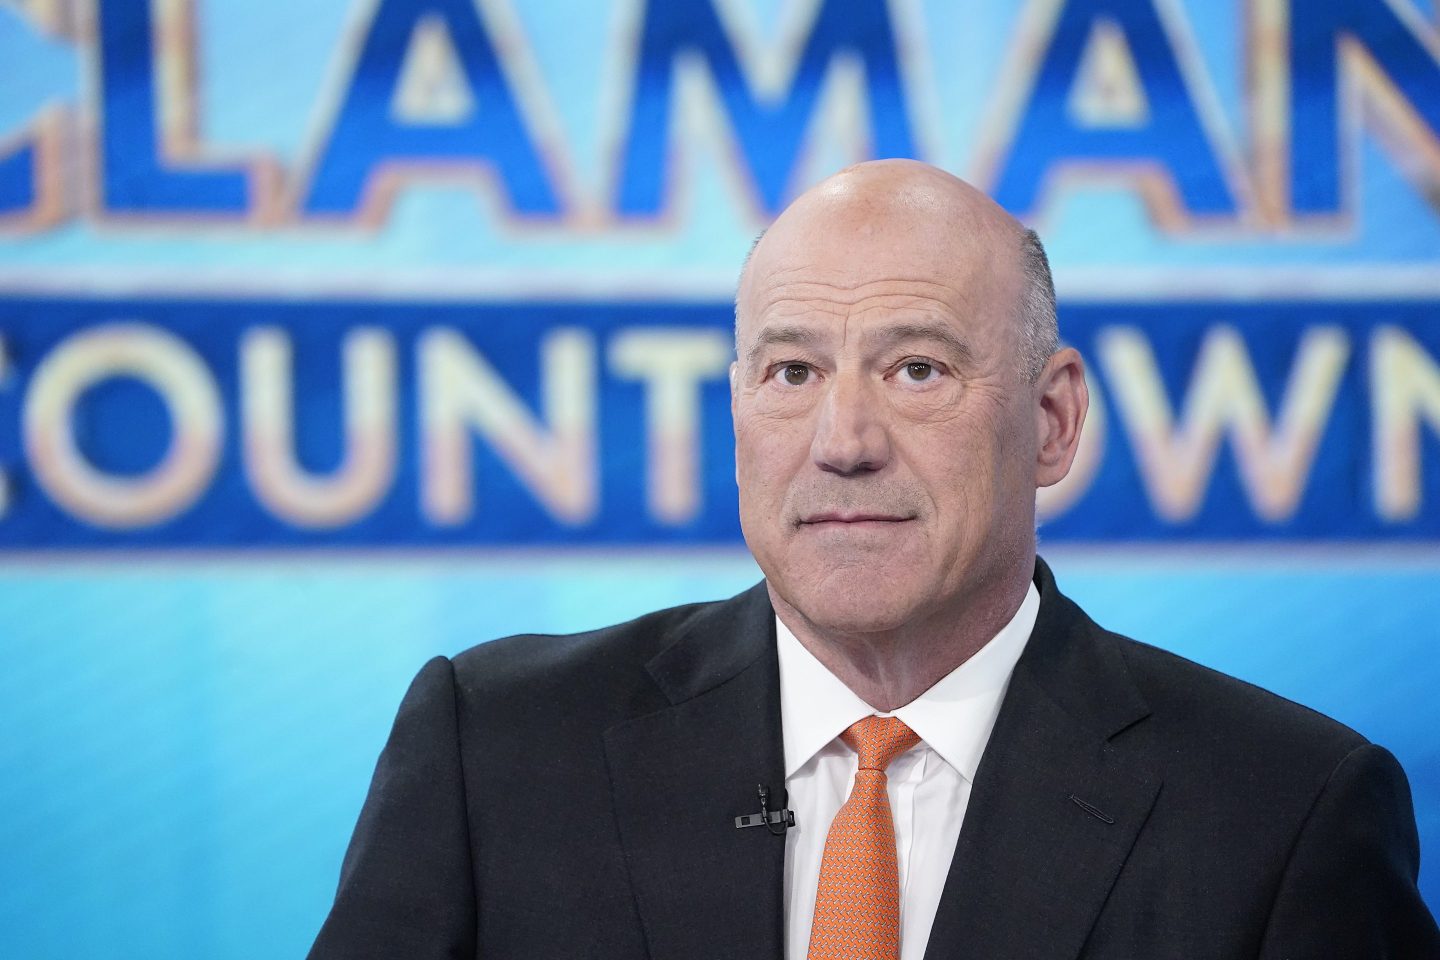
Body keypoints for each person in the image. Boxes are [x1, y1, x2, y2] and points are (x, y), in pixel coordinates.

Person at [307, 160, 1439, 959]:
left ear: (1051, 421)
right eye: (792, 373)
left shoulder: (1284, 813)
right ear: (738, 410)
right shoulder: (497, 749)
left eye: (917, 370)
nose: (842, 442)